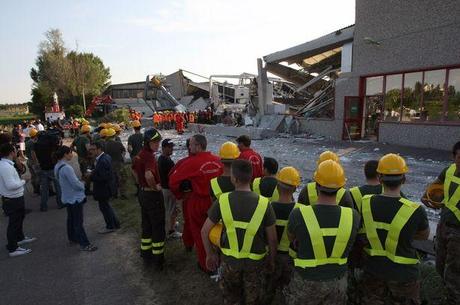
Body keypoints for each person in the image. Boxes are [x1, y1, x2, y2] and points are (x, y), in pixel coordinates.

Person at [201, 159, 278, 304]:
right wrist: (272, 260)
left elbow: (205, 231)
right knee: (253, 299)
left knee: (231, 299)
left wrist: (210, 254)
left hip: (230, 262)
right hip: (255, 264)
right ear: (250, 178)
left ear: (234, 179)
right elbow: (272, 239)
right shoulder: (264, 203)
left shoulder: (222, 201)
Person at [284, 160, 360, 305]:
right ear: (341, 187)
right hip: (337, 283)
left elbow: (291, 238)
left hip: (306, 282)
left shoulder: (299, 214)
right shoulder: (353, 216)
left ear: (316, 185)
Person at [360, 154, 429, 304]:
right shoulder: (415, 210)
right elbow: (423, 236)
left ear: (379, 178)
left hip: (374, 270)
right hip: (404, 276)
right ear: (404, 179)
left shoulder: (365, 204)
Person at [169, 134, 223, 273]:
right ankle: (220, 262)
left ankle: (206, 264)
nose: (189, 147)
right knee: (217, 231)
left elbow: (173, 181)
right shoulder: (218, 161)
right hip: (217, 201)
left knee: (200, 233)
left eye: (191, 144)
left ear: (198, 146)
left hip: (198, 201)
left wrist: (182, 195)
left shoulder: (190, 163)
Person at [421, 141, 460, 305]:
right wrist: (427, 196)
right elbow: (435, 188)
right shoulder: (448, 171)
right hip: (444, 225)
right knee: (440, 264)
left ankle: (453, 299)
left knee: (454, 272)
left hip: (459, 232)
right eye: (459, 157)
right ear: (454, 157)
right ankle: (441, 295)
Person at [263, 166, 302, 304]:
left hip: (270, 255)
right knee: (289, 291)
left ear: (277, 187)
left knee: (267, 289)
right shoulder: (300, 211)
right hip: (291, 259)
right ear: (295, 188)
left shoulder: (267, 207)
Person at [131, 128, 165, 269]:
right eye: (155, 142)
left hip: (143, 195)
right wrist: (154, 187)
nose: (157, 145)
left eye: (158, 142)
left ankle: (146, 255)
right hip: (152, 196)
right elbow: (149, 175)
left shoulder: (140, 154)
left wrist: (140, 184)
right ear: (147, 142)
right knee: (157, 227)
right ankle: (158, 261)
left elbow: (132, 169)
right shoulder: (150, 156)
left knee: (147, 226)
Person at [54, 146, 97, 252]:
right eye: (70, 153)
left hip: (67, 197)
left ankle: (72, 238)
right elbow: (75, 184)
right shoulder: (67, 168)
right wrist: (83, 184)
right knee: (78, 222)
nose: (71, 155)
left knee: (71, 219)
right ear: (65, 154)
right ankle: (85, 244)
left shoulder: (57, 166)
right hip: (75, 198)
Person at [0, 143, 36, 257]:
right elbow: (11, 185)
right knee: (13, 223)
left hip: (14, 197)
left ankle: (19, 238)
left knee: (19, 218)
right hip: (12, 198)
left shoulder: (6, 165)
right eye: (15, 151)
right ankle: (13, 248)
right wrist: (23, 181)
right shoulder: (5, 166)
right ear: (11, 153)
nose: (17, 152)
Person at [88, 141, 120, 233]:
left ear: (99, 149)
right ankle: (115, 224)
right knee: (107, 207)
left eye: (93, 149)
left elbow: (104, 177)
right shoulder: (105, 157)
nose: (91, 151)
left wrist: (91, 176)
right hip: (106, 188)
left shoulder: (102, 160)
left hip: (103, 188)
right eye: (90, 149)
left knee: (105, 208)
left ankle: (110, 226)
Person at [158, 138, 182, 239]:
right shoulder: (166, 161)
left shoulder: (161, 158)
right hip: (168, 189)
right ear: (163, 148)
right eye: (169, 147)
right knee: (172, 210)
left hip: (164, 188)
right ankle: (171, 231)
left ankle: (171, 223)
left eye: (172, 147)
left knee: (169, 209)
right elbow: (173, 176)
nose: (172, 149)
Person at [35, 128, 63, 211]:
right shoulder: (51, 144)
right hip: (52, 168)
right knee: (58, 187)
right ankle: (60, 203)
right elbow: (58, 153)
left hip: (43, 168)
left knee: (44, 189)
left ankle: (43, 206)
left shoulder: (36, 145)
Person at [104, 128, 127, 199]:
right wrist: (122, 157)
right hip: (119, 163)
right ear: (114, 135)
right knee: (121, 179)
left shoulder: (106, 145)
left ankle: (114, 194)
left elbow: (105, 154)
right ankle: (122, 194)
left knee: (113, 179)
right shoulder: (118, 143)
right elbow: (124, 151)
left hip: (110, 164)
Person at [71, 124, 92, 194]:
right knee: (88, 174)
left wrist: (77, 152)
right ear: (87, 132)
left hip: (80, 158)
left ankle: (83, 188)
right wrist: (91, 156)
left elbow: (71, 147)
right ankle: (87, 190)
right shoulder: (85, 139)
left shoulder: (77, 138)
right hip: (86, 158)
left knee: (83, 173)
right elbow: (88, 149)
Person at [25, 128, 40, 194]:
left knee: (33, 176)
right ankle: (37, 189)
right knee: (37, 176)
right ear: (35, 135)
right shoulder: (32, 143)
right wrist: (36, 162)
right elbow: (32, 153)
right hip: (33, 161)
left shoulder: (27, 142)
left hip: (28, 161)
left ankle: (35, 189)